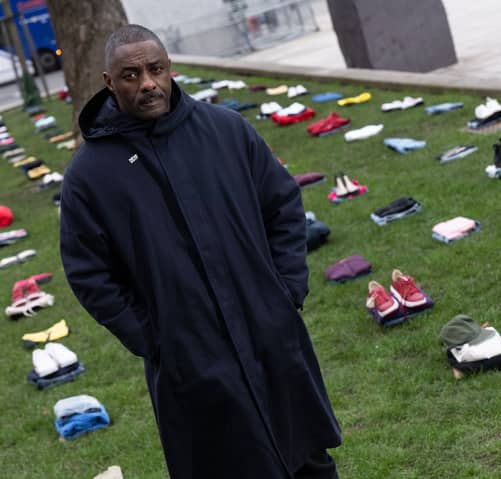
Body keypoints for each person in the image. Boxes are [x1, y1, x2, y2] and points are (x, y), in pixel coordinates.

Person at [59, 24, 341, 479]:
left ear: (170, 69)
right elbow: (88, 273)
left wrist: (286, 289)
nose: (147, 83)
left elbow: (283, 204)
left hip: (268, 331)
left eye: (156, 69)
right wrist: (153, 339)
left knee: (306, 456)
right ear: (109, 82)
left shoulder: (225, 129)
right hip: (189, 357)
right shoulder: (88, 176)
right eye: (131, 74)